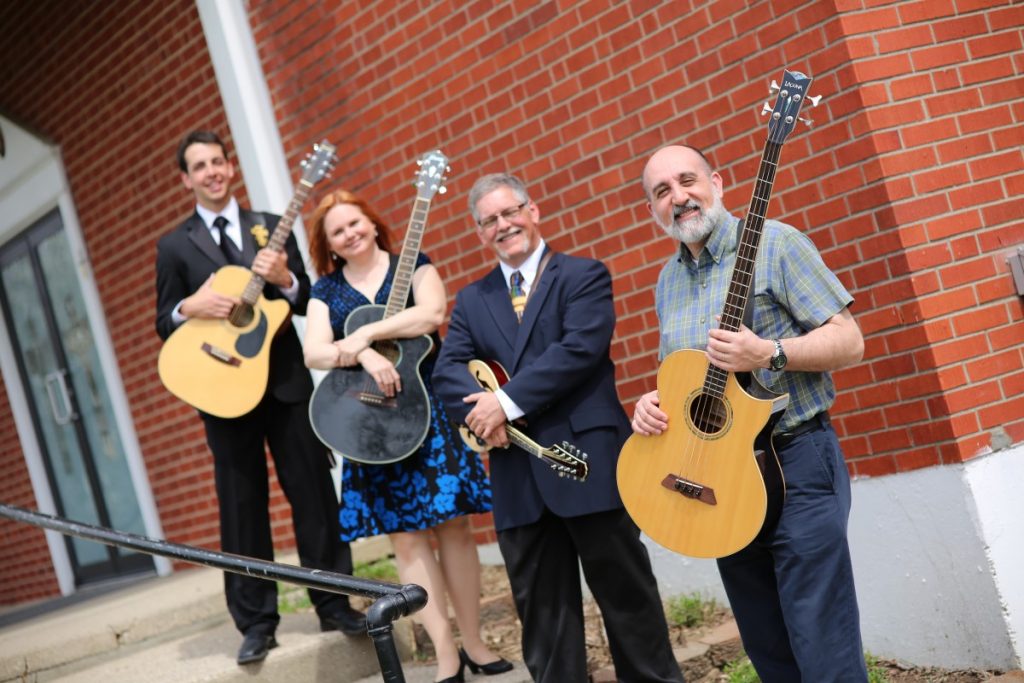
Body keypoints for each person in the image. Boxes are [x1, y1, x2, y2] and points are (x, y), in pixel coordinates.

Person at [432, 173, 684, 683]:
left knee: (626, 598)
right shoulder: (473, 300)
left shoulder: (583, 275)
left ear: (534, 210)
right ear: (479, 234)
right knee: (543, 617)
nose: (503, 226)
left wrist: (501, 401)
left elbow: (579, 351)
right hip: (517, 472)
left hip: (589, 461)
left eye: (510, 212)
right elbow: (446, 371)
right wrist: (480, 415)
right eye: (489, 222)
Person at [633, 144, 868, 682]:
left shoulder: (777, 245)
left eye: (687, 180)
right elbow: (686, 378)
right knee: (768, 649)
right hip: (719, 483)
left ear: (717, 182)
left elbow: (849, 342)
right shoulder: (669, 282)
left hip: (797, 464)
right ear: (652, 211)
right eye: (662, 191)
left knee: (823, 646)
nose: (679, 197)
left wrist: (769, 353)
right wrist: (654, 406)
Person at [155, 130, 365, 666]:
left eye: (217, 161)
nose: (211, 172)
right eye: (198, 166)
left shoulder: (272, 225)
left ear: (231, 166)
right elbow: (164, 319)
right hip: (222, 390)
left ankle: (334, 602)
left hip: (284, 382)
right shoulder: (174, 246)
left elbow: (305, 303)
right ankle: (256, 621)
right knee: (242, 506)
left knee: (314, 493)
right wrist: (189, 307)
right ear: (186, 179)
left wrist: (289, 279)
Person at [302, 189, 510, 683]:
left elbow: (432, 314)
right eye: (338, 231)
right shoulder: (325, 292)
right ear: (328, 245)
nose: (350, 233)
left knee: (456, 528)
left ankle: (476, 643)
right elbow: (314, 352)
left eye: (356, 223)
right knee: (408, 538)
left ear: (373, 224)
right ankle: (445, 655)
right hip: (371, 426)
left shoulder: (414, 263)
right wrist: (365, 355)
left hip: (430, 411)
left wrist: (363, 336)